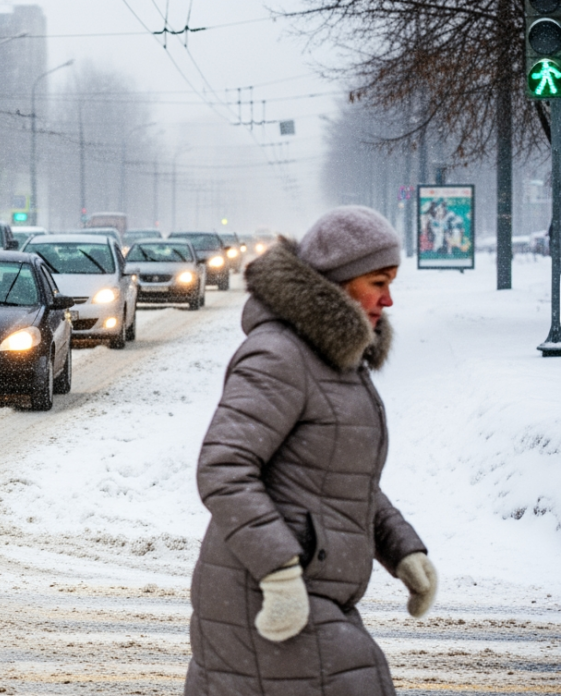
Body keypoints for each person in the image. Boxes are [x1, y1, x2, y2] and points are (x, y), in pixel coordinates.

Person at [185, 206, 438, 695]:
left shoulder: (333, 357)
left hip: (312, 588)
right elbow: (223, 466)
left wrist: (402, 549)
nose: (388, 299)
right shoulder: (280, 354)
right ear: (339, 282)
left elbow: (335, 477)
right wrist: (279, 572)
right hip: (265, 590)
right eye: (378, 282)